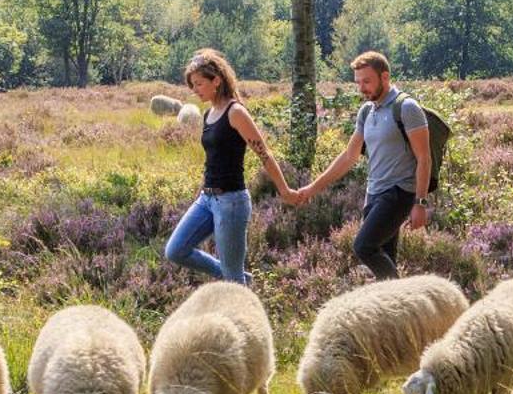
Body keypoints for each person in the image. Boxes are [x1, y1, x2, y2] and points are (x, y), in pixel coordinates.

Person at [288, 51, 431, 280]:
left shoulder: (407, 108)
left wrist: (420, 203)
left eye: (367, 81)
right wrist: (312, 188)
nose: (361, 88)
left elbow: (424, 158)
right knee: (386, 257)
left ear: (384, 77)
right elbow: (349, 156)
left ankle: (403, 297)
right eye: (357, 82)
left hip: (398, 193)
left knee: (364, 246)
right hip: (373, 194)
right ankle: (394, 309)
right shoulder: (366, 111)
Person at [162, 49, 293, 285]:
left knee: (233, 280)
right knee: (175, 250)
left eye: (199, 84)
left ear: (217, 80)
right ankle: (237, 278)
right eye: (192, 85)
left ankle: (242, 302)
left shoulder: (236, 112)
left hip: (231, 202)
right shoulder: (208, 114)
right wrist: (202, 191)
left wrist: (284, 190)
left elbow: (264, 153)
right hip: (206, 199)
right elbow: (213, 160)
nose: (195, 90)